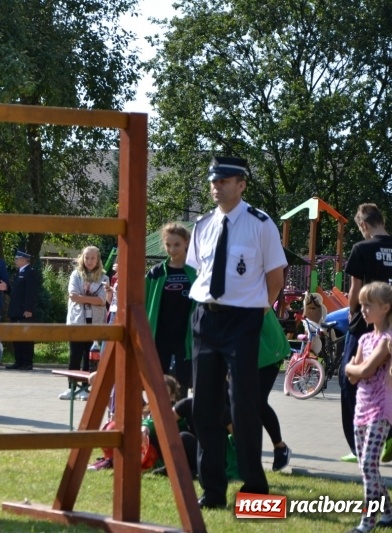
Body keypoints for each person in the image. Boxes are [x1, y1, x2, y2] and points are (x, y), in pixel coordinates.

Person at [186, 156, 286, 509]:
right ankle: (212, 490)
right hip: (205, 319)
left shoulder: (261, 224)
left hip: (243, 320)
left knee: (243, 406)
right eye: (214, 181)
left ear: (241, 184)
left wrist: (258, 309)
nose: (217, 186)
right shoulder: (202, 225)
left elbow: (276, 277)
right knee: (203, 407)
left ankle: (255, 489)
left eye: (225, 181)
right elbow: (200, 272)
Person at [340, 204, 392, 463]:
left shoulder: (361, 249)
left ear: (363, 224)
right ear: (382, 221)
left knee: (349, 380)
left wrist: (352, 313)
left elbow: (355, 290)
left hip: (366, 325)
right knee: (390, 380)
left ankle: (360, 446)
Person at [344, 281, 392, 532]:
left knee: (368, 464)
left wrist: (349, 367)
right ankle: (388, 515)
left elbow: (362, 370)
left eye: (369, 305)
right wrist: (353, 370)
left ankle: (368, 521)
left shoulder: (389, 339)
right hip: (361, 409)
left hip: (380, 409)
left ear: (386, 307)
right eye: (362, 304)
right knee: (368, 466)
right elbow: (354, 377)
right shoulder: (365, 338)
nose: (363, 309)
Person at [145, 223, 197, 396]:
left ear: (186, 242)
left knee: (182, 386)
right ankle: (156, 421)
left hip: (186, 339)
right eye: (168, 245)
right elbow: (143, 304)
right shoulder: (156, 273)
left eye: (177, 245)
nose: (172, 249)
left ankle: (180, 421)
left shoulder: (196, 273)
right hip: (160, 337)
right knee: (158, 384)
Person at [59, 245, 107, 401]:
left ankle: (85, 388)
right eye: (87, 257)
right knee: (75, 355)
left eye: (93, 258)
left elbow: (102, 300)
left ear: (98, 259)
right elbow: (73, 295)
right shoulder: (75, 275)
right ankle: (71, 388)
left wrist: (83, 297)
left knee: (90, 356)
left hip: (95, 322)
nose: (89, 261)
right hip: (76, 321)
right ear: (82, 258)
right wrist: (92, 298)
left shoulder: (104, 278)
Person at [258, 310, 292, 471]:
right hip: (244, 349)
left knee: (257, 401)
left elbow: (277, 284)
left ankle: (280, 447)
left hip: (268, 349)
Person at [6, 250, 40, 370]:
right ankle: (18, 361)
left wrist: (28, 309)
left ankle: (27, 362)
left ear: (24, 260)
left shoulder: (30, 272)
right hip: (16, 310)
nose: (15, 260)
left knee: (26, 336)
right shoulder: (18, 272)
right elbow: (15, 292)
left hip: (24, 311)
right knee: (16, 336)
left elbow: (31, 292)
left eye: (17, 258)